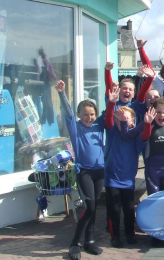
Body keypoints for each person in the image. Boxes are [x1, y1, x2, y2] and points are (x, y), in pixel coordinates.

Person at [55, 80, 107, 260]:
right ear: (79, 115)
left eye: (92, 114)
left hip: (100, 171)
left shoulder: (99, 125)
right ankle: (75, 243)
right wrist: (62, 94)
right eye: (85, 115)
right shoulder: (75, 127)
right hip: (84, 171)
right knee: (90, 206)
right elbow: (68, 113)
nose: (89, 117)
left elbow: (109, 110)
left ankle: (90, 241)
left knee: (94, 208)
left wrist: (111, 95)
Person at [103, 89, 147, 248]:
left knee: (129, 210)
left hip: (128, 179)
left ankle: (130, 233)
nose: (122, 120)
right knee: (114, 210)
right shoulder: (112, 131)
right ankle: (115, 236)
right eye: (119, 118)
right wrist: (111, 103)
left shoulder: (134, 136)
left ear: (132, 121)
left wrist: (147, 122)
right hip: (112, 177)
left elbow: (145, 133)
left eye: (126, 119)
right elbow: (108, 119)